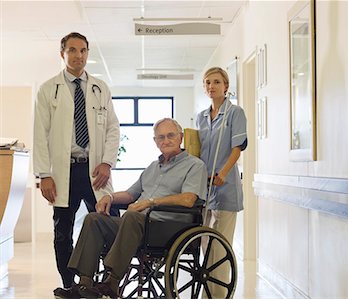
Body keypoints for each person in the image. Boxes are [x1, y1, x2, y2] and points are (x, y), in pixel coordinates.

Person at [53, 118, 208, 299]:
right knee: (94, 219)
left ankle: (111, 282)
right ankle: (84, 285)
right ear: (155, 142)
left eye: (170, 135)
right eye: (161, 137)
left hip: (168, 228)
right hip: (138, 225)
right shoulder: (152, 167)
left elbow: (189, 199)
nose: (166, 140)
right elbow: (130, 194)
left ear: (180, 137)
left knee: (131, 217)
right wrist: (109, 197)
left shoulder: (195, 165)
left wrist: (151, 202)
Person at [33, 32, 120, 293]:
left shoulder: (100, 87)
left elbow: (113, 129)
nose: (78, 55)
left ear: (87, 53)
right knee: (63, 232)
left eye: (82, 50)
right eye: (72, 50)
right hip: (63, 171)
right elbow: (40, 133)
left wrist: (106, 162)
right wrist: (44, 174)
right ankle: (70, 285)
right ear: (63, 54)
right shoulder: (49, 89)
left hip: (95, 171)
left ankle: (106, 282)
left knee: (110, 223)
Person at [196, 67, 247, 298]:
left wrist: (223, 173)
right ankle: (208, 294)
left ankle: (219, 296)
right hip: (205, 189)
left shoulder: (235, 113)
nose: (211, 86)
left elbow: (237, 149)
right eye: (207, 83)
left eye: (216, 82)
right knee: (205, 244)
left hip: (225, 188)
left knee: (220, 247)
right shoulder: (201, 117)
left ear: (226, 86)